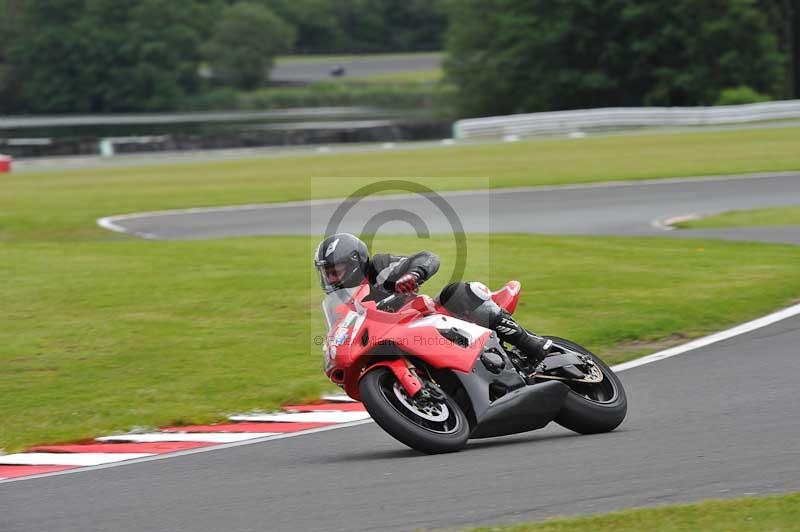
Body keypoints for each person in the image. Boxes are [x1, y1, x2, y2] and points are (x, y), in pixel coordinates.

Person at [314, 232, 557, 366]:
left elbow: (427, 257)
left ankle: (530, 343)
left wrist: (413, 274)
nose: (331, 278)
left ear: (355, 263)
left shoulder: (379, 268)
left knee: (460, 292)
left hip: (426, 319)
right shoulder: (340, 306)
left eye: (335, 270)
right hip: (393, 343)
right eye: (326, 273)